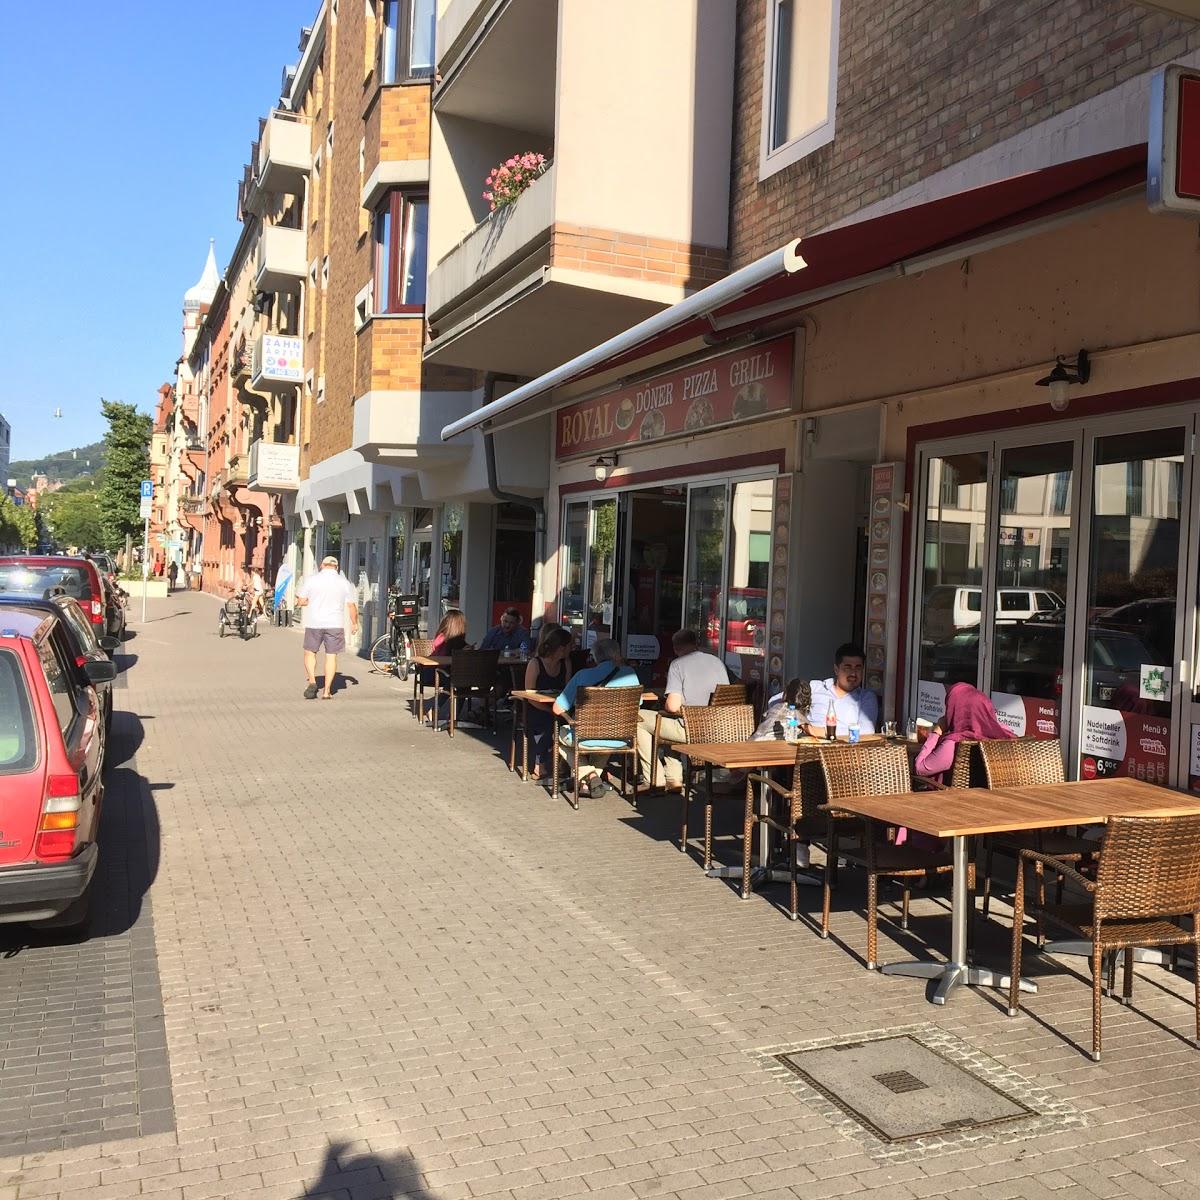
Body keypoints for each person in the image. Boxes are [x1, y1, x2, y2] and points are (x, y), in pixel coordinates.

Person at [636, 629, 729, 789]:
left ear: (675, 648)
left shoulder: (677, 665)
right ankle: (673, 779)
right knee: (666, 722)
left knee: (638, 718)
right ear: (696, 643)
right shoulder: (717, 661)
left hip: (691, 729)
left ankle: (654, 778)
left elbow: (672, 706)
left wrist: (666, 704)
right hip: (719, 728)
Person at [553, 637, 641, 798]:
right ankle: (589, 783)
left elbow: (557, 709)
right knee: (606, 737)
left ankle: (589, 776)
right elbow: (638, 704)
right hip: (621, 737)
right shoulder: (630, 674)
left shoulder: (582, 675)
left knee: (558, 736)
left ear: (594, 657)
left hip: (585, 737)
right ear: (617, 654)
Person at [915, 682, 1013, 781]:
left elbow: (920, 768)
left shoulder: (952, 744)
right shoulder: (1004, 736)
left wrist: (936, 733)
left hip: (955, 795)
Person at [296, 555, 358, 700]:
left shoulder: (312, 580)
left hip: (314, 623)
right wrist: (354, 623)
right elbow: (351, 605)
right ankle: (327, 691)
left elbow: (301, 601)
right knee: (331, 656)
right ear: (337, 567)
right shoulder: (344, 582)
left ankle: (312, 681)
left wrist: (306, 602)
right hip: (335, 624)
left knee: (310, 652)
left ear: (322, 565)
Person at [524, 624, 574, 780]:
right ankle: (541, 763)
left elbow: (567, 689)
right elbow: (529, 694)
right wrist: (548, 709)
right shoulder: (535, 664)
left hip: (558, 707)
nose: (571, 650)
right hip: (536, 707)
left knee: (563, 720)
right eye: (569, 647)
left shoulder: (566, 664)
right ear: (561, 648)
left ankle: (557, 764)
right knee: (548, 722)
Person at [804, 642, 879, 738]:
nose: (853, 673)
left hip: (843, 750)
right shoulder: (816, 687)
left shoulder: (866, 697)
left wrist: (820, 731)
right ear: (836, 669)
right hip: (806, 747)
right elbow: (781, 701)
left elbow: (867, 729)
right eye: (847, 668)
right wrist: (800, 723)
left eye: (858, 668)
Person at [420, 609, 469, 717]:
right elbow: (440, 660)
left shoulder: (457, 641)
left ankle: (455, 716)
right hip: (434, 672)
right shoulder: (442, 639)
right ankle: (437, 710)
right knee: (457, 681)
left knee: (463, 682)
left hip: (447, 672)